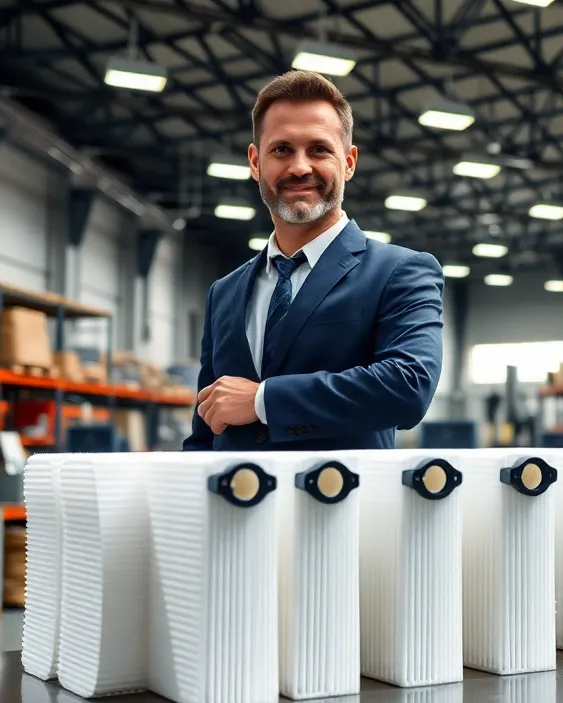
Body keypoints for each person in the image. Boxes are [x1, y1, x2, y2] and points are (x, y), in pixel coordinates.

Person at [184, 70, 444, 451]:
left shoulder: (400, 272)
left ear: (349, 162)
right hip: (235, 505)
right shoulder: (224, 293)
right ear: (255, 162)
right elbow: (208, 426)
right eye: (282, 149)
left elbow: (407, 387)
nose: (300, 167)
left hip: (340, 504)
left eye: (319, 149)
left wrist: (262, 401)